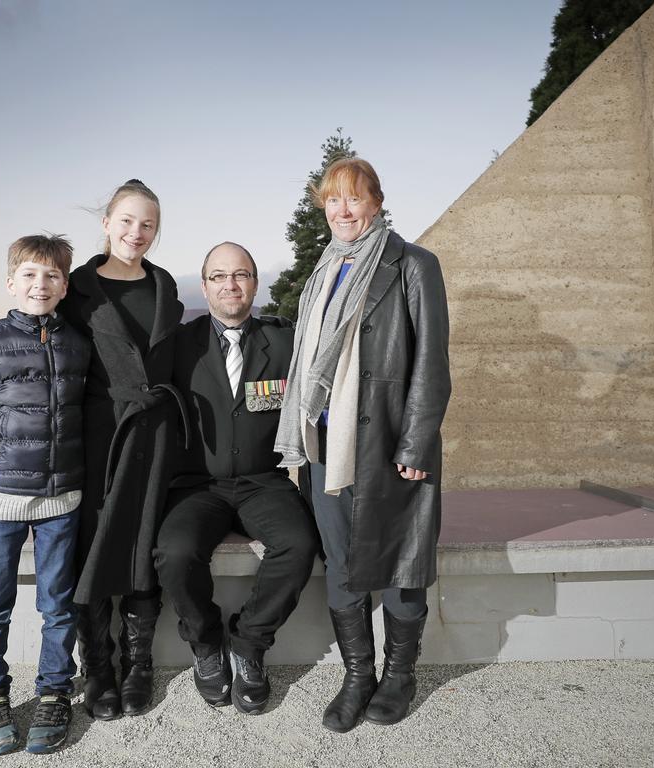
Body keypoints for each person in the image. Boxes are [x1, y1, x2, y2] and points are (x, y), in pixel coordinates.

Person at [0, 180, 185, 722]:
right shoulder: (76, 285)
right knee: (90, 551)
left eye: (147, 224)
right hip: (92, 439)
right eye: (126, 221)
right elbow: (21, 332)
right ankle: (98, 667)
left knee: (144, 543)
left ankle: (137, 666)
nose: (135, 233)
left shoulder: (167, 286)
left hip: (149, 440)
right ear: (107, 222)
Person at [274, 157, 451, 732]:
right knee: (345, 563)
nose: (343, 210)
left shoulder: (413, 264)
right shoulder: (324, 270)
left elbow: (431, 360)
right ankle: (357, 674)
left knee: (403, 559)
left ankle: (399, 675)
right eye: (332, 200)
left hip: (391, 440)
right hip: (328, 441)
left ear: (376, 202)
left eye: (354, 198)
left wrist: (417, 444)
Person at [153, 242, 318, 715]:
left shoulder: (284, 341)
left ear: (255, 283)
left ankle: (248, 643)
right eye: (219, 276)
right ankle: (206, 644)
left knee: (298, 543)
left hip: (262, 480)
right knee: (176, 551)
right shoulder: (176, 345)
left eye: (241, 274)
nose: (231, 284)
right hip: (196, 485)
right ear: (203, 286)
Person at [0, 234, 90, 756]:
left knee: (57, 605)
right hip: (1, 499)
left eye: (52, 276)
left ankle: (54, 692)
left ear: (64, 286)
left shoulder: (79, 343)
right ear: (11, 282)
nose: (41, 284)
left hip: (62, 500)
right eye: (30, 275)